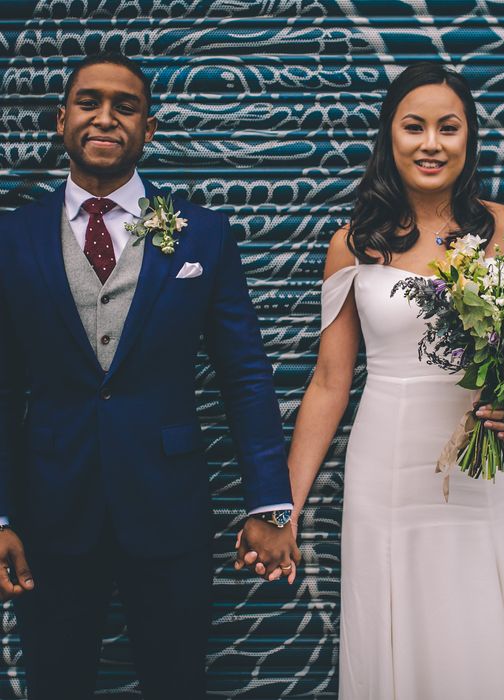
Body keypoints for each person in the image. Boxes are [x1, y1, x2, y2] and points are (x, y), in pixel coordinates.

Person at [0, 51, 299, 700]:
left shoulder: (203, 235)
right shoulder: (11, 237)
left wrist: (270, 502)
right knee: (55, 683)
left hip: (170, 513)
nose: (105, 118)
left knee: (178, 683)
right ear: (61, 120)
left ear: (150, 129)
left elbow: (244, 374)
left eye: (125, 106)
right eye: (89, 103)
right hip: (48, 514)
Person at [287, 62, 504, 699]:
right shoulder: (353, 244)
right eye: (414, 127)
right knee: (393, 625)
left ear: (469, 139)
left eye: (448, 128)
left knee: (478, 625)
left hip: (481, 468)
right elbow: (328, 381)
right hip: (386, 465)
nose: (431, 144)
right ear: (389, 137)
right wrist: (284, 508)